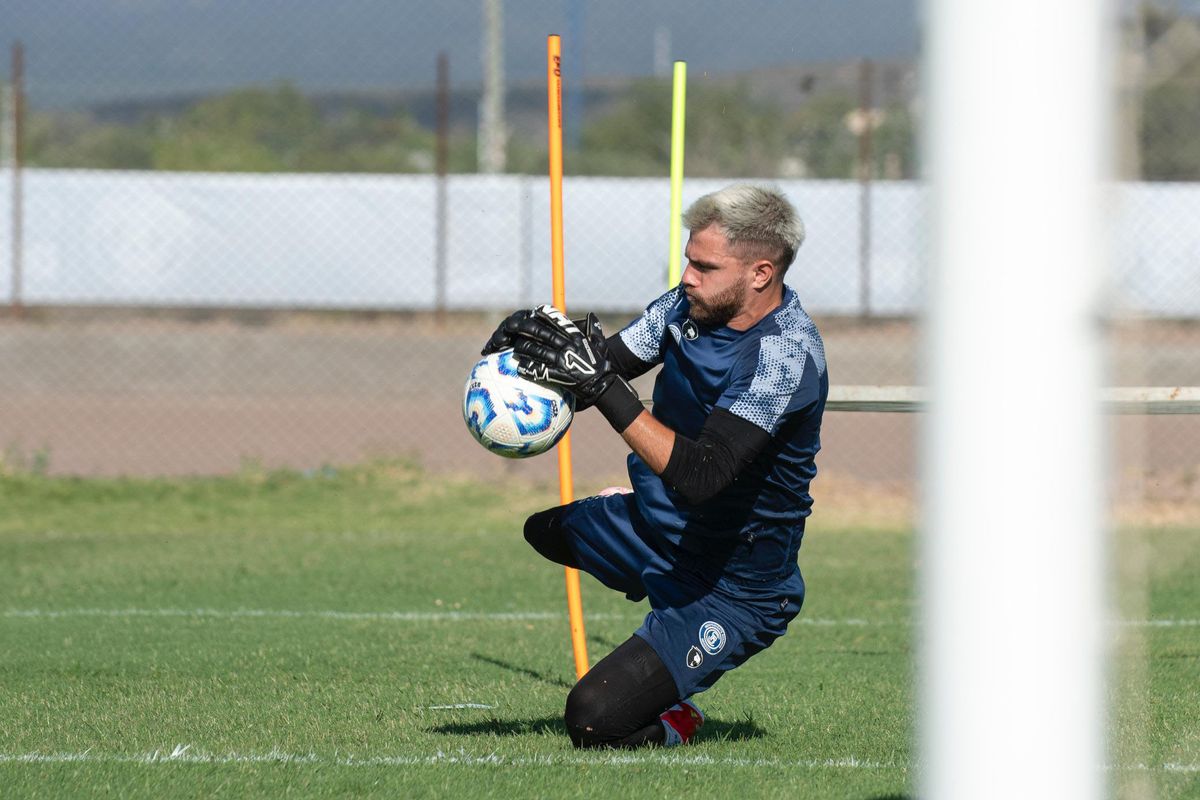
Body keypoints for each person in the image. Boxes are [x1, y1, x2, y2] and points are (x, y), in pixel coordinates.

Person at [482, 184, 827, 749]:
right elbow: (604, 365)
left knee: (594, 720)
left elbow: (702, 476)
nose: (687, 275)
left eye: (704, 266)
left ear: (761, 273)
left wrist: (600, 383)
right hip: (658, 529)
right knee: (544, 531)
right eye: (688, 259)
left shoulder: (784, 355)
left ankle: (679, 717)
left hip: (735, 585)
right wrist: (521, 366)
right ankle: (647, 565)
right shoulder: (683, 307)